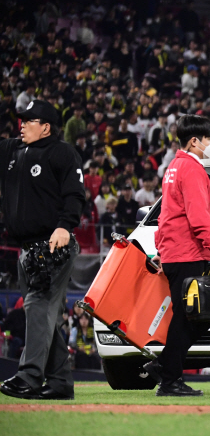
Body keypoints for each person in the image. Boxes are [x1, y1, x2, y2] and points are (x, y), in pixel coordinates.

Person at [142, 115, 210, 397]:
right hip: (187, 253)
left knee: (191, 316)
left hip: (174, 252)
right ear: (194, 141)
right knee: (193, 316)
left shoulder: (173, 167)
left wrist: (161, 249)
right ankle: (170, 378)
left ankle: (165, 367)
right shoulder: (192, 169)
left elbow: (166, 216)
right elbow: (198, 217)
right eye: (208, 139)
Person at [0, 100, 85, 400]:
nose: (21, 124)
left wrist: (64, 226)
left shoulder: (61, 152)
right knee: (43, 314)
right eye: (21, 120)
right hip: (24, 249)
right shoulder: (11, 151)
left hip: (52, 244)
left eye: (28, 120)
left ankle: (29, 376)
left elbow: (75, 194)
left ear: (46, 126)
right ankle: (60, 381)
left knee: (37, 306)